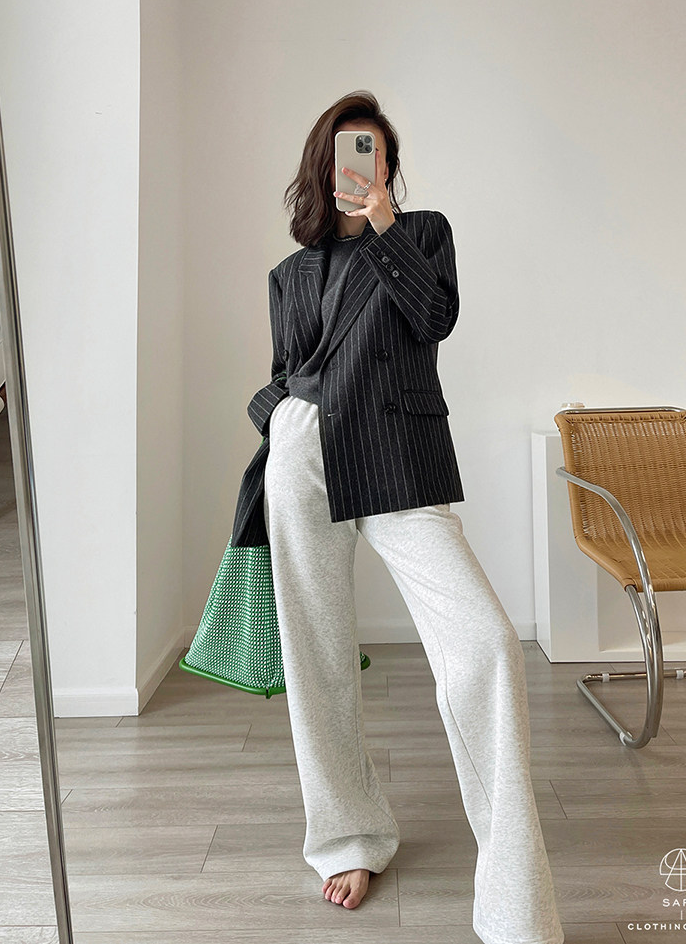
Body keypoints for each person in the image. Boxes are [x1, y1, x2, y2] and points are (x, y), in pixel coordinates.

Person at [247, 91, 565, 944]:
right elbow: (282, 371)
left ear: (388, 167)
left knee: (486, 644)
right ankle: (348, 835)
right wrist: (281, 418)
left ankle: (516, 904)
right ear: (324, 163)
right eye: (350, 151)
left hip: (394, 454)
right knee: (316, 652)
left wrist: (384, 225)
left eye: (377, 153)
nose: (365, 164)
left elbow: (436, 319)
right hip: (305, 458)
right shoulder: (289, 275)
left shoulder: (422, 234)